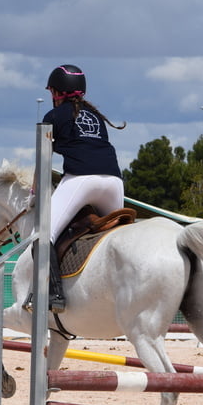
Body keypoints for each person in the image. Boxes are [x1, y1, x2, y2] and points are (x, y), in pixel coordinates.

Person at [42, 63, 126, 313]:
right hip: (113, 182)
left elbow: (44, 159)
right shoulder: (96, 117)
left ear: (57, 92)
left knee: (43, 236)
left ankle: (55, 295)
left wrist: (37, 191)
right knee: (117, 237)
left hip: (82, 180)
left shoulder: (53, 116)